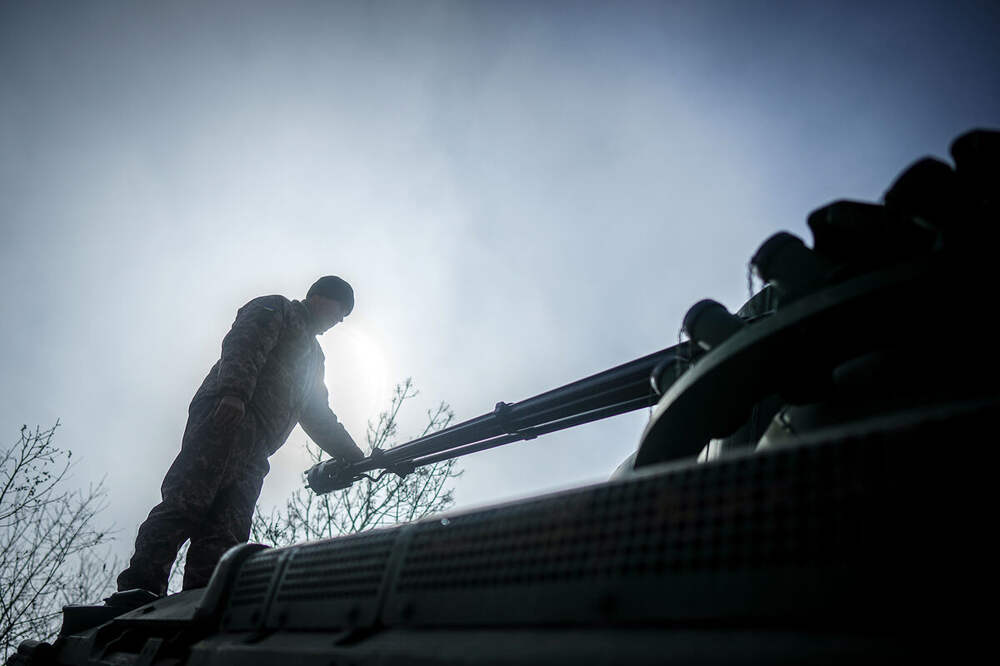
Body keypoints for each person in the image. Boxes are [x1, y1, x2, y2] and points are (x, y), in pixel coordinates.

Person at [116, 276, 366, 595]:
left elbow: (317, 412)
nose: (340, 319)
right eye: (340, 308)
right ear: (319, 296)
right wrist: (234, 392)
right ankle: (139, 587)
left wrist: (353, 455)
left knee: (228, 530)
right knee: (187, 500)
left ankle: (199, 600)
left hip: (259, 446)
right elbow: (244, 343)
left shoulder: (316, 358)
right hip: (229, 418)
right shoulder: (278, 309)